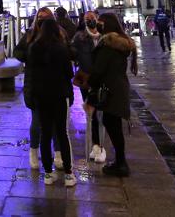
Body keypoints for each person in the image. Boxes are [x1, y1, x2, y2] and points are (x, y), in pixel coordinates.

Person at [27, 17, 76, 186]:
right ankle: (69, 174)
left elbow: (31, 73)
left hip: (41, 96)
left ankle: (48, 174)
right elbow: (69, 73)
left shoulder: (34, 48)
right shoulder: (61, 48)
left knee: (45, 134)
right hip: (59, 95)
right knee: (62, 132)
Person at [88, 13, 136, 177]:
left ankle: (121, 163)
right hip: (118, 87)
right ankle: (120, 161)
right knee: (113, 124)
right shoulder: (119, 44)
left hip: (110, 89)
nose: (97, 25)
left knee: (112, 124)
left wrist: (89, 82)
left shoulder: (108, 45)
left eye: (100, 23)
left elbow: (99, 69)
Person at [14, 7, 55, 169]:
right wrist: (30, 57)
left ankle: (58, 153)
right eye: (40, 17)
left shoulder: (58, 34)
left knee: (55, 124)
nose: (42, 20)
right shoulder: (30, 35)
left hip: (53, 84)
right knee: (37, 121)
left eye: (45, 17)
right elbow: (18, 51)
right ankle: (33, 151)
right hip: (35, 84)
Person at [71, 11, 105, 163]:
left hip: (103, 79)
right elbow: (72, 54)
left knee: (103, 114)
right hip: (87, 80)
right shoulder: (79, 38)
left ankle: (100, 145)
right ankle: (96, 145)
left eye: (92, 18)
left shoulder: (105, 36)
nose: (90, 20)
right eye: (87, 19)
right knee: (92, 112)